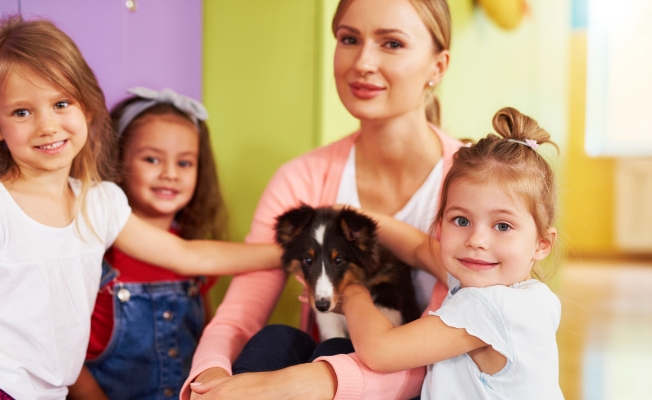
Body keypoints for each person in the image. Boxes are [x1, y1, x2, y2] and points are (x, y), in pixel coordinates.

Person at [0, 16, 279, 400]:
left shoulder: (99, 202)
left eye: (61, 103)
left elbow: (186, 254)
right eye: (22, 112)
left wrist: (287, 253)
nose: (47, 125)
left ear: (88, 108)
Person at [185, 0, 462, 398]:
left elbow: (443, 353)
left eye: (392, 44)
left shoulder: (468, 189)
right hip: (328, 368)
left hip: (418, 385)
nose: (363, 62)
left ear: (438, 66)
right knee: (276, 342)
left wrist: (312, 381)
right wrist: (210, 382)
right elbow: (239, 317)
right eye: (349, 39)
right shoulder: (302, 179)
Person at [341, 107, 564, 399]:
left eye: (503, 225)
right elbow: (419, 248)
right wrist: (354, 216)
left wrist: (351, 293)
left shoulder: (489, 306)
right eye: (461, 221)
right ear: (440, 225)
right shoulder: (531, 296)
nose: (476, 240)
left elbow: (379, 351)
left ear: (542, 244)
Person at [67, 88, 227, 399]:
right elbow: (68, 356)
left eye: (184, 163)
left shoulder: (200, 258)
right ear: (118, 160)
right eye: (152, 159)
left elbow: (209, 340)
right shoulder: (96, 254)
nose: (169, 174)